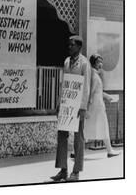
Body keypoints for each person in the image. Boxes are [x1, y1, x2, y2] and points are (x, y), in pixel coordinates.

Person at [51, 35, 91, 181]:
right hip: (66, 104)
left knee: (78, 138)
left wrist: (83, 107)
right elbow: (64, 84)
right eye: (68, 45)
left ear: (79, 47)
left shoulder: (84, 63)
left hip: (78, 106)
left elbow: (86, 86)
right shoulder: (67, 61)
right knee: (62, 135)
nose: (69, 47)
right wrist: (59, 102)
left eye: (72, 45)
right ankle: (63, 169)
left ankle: (76, 171)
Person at [84, 54, 120, 157]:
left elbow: (97, 91)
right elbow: (90, 92)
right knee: (102, 127)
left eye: (101, 62)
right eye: (98, 62)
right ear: (93, 63)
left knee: (87, 128)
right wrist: (87, 107)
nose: (101, 64)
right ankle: (109, 151)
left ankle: (76, 151)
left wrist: (107, 96)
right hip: (95, 106)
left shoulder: (93, 75)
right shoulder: (93, 76)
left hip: (95, 106)